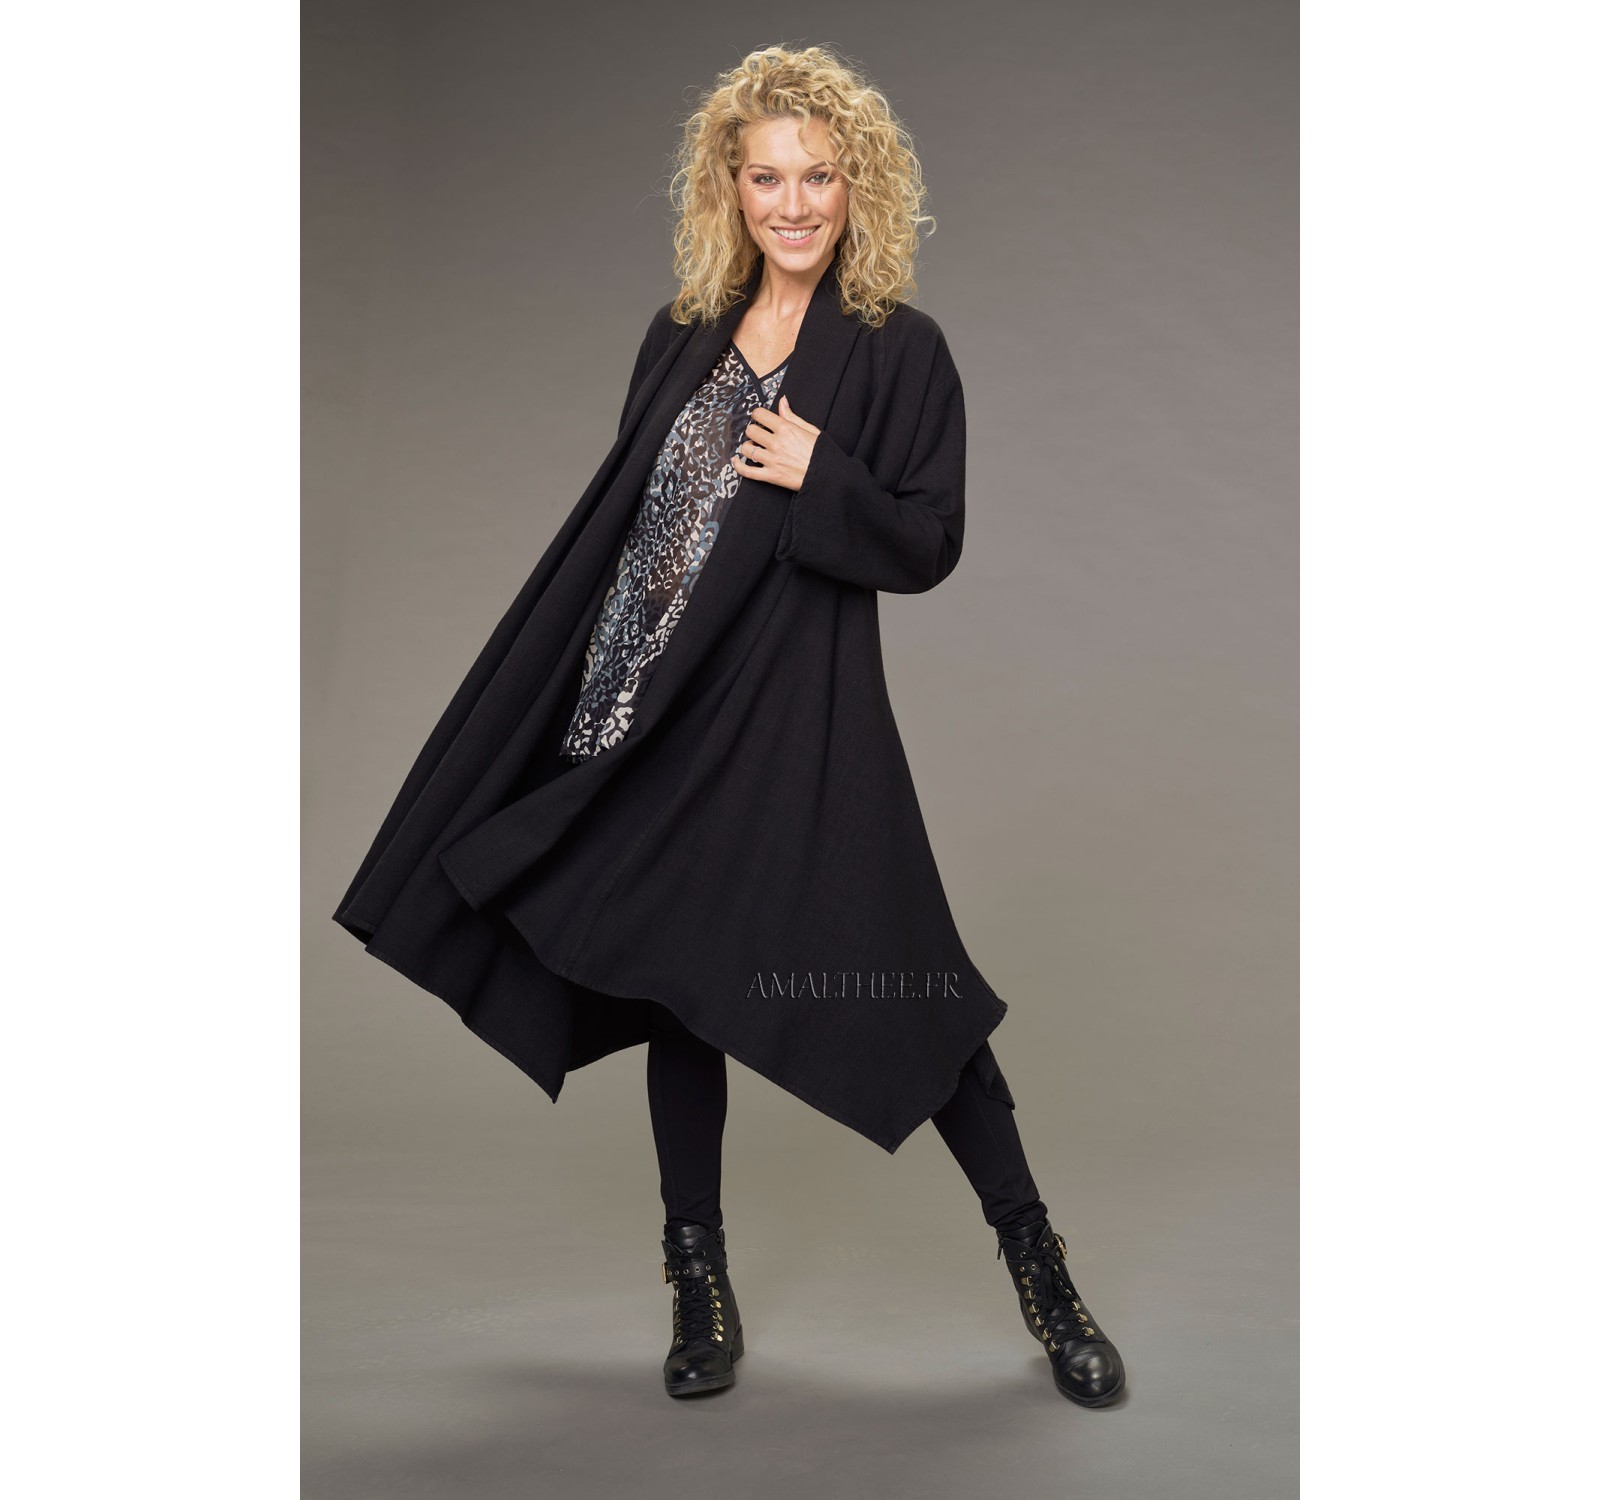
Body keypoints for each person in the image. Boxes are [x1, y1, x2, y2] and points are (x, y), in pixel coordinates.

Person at [333, 44, 1125, 1407]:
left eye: (819, 176)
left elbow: (929, 542)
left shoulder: (901, 352)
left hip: (796, 719)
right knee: (673, 987)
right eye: (767, 178)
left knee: (912, 987)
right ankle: (697, 1281)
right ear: (730, 189)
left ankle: (1045, 1276)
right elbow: (637, 532)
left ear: (860, 186)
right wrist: (585, 702)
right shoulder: (681, 335)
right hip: (646, 710)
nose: (793, 204)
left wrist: (826, 473)